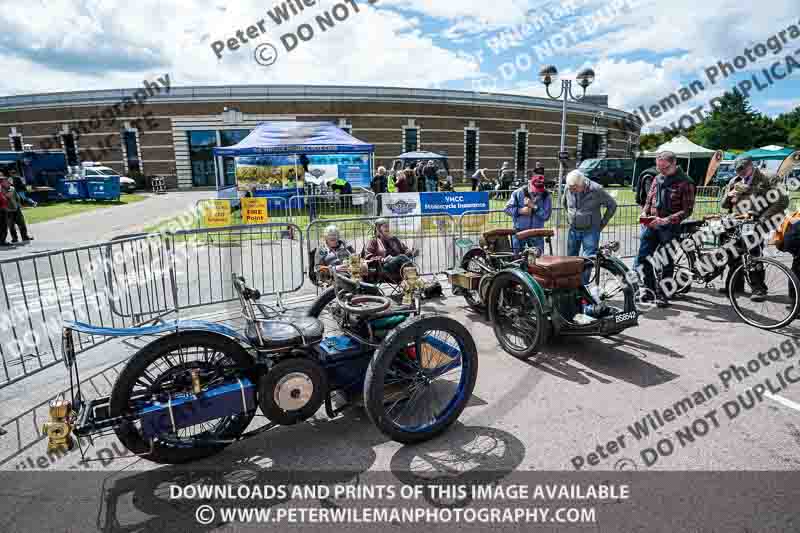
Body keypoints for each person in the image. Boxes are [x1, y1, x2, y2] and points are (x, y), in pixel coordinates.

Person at [719, 154, 789, 301]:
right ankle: (735, 285)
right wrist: (729, 195)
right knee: (732, 253)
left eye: (743, 169)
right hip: (737, 222)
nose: (740, 172)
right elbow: (724, 205)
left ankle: (758, 288)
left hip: (758, 222)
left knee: (753, 254)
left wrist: (762, 218)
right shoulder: (735, 181)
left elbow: (782, 201)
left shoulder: (768, 177)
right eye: (737, 170)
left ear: (751, 165)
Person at [636, 151, 695, 307]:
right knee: (643, 258)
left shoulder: (686, 182)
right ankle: (649, 290)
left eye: (664, 168)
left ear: (674, 164)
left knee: (666, 262)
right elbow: (649, 199)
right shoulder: (657, 178)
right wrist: (644, 213)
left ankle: (663, 294)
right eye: (658, 167)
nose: (660, 171)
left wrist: (666, 220)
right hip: (652, 225)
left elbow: (687, 210)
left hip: (670, 228)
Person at [562, 169, 617, 284]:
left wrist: (602, 224)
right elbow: (565, 203)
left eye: (574, 188)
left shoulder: (596, 189)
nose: (572, 190)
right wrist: (570, 217)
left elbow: (612, 205)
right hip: (573, 229)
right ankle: (571, 286)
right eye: (570, 188)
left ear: (582, 184)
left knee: (587, 261)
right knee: (571, 259)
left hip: (590, 231)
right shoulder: (569, 187)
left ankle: (583, 288)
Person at [504, 175, 552, 253]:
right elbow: (507, 209)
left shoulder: (546, 196)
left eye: (540, 190)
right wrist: (521, 211)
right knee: (517, 258)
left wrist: (535, 207)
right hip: (519, 231)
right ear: (530, 184)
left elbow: (546, 216)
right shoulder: (518, 193)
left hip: (537, 233)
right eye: (535, 190)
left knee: (538, 260)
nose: (537, 192)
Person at [1, 175, 32, 243]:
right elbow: (4, 199)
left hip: (16, 208)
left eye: (8, 181)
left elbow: (17, 197)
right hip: (8, 210)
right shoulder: (1, 190)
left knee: (22, 223)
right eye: (5, 181)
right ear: (2, 183)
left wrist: (19, 205)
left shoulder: (12, 188)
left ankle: (25, 237)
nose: (8, 182)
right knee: (11, 226)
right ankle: (15, 238)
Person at [0, 173, 9, 247]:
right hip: (1, 210)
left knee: (4, 226)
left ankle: (2, 240)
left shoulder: (2, 187)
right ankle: (2, 241)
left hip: (3, 208)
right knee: (3, 226)